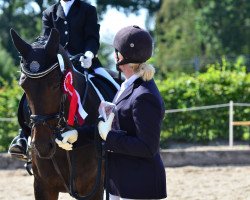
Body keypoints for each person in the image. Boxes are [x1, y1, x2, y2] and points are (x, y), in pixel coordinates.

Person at [8, 0, 119, 158]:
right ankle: (23, 136)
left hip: (85, 62)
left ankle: (119, 127)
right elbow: (46, 40)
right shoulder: (49, 12)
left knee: (113, 84)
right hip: (58, 67)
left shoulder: (88, 9)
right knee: (32, 90)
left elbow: (92, 37)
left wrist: (89, 54)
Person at [97, 25, 167, 199]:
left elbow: (147, 147)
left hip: (138, 185)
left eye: (116, 50)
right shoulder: (128, 86)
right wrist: (77, 133)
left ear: (121, 57)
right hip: (120, 182)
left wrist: (109, 137)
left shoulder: (144, 95)